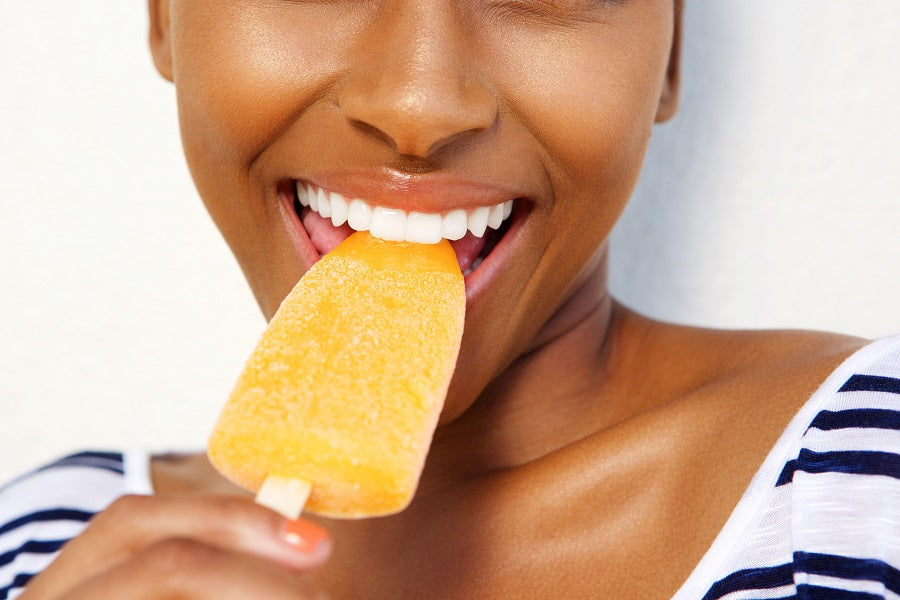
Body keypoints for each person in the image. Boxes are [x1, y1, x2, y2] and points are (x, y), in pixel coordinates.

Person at [2, 1, 898, 598]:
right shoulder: (41, 549)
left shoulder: (867, 486)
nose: (419, 103)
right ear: (166, 17)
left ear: (671, 51)